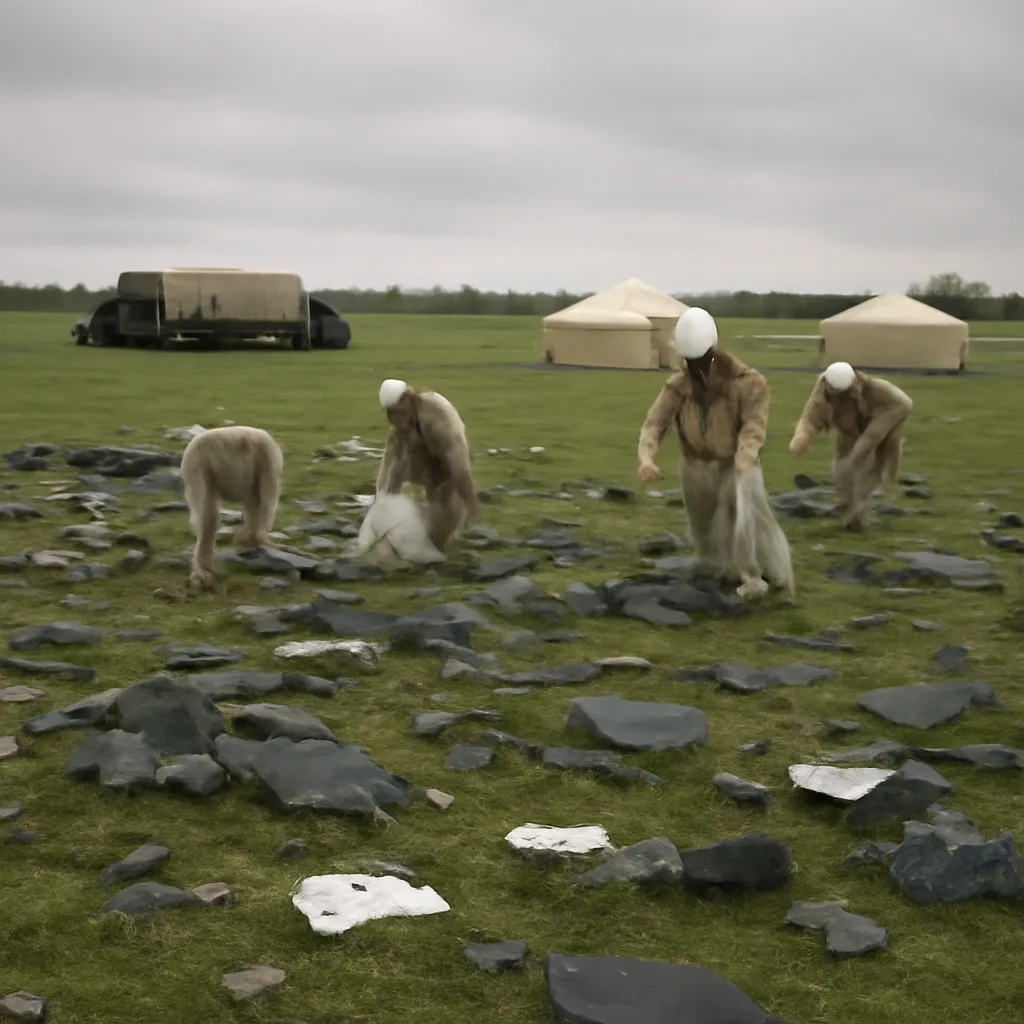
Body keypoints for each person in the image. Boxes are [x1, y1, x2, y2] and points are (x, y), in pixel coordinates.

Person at [636, 308, 795, 600]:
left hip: (736, 466)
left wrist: (742, 466)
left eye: (701, 360)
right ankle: (719, 571)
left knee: (743, 521)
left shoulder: (749, 383)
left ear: (713, 349)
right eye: (690, 361)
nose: (695, 367)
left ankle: (754, 577)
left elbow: (753, 428)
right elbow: (656, 423)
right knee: (704, 528)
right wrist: (646, 459)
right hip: (695, 468)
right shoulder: (678, 385)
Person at [359, 379, 478, 561]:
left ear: (408, 399)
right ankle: (394, 532)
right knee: (396, 480)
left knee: (445, 507)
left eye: (398, 412)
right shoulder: (402, 424)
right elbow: (390, 462)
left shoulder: (439, 419)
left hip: (446, 457)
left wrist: (470, 500)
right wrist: (381, 499)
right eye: (391, 414)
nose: (395, 419)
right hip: (423, 454)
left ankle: (439, 539)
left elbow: (459, 465)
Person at [789, 361, 913, 530]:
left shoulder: (877, 388)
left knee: (867, 473)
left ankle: (858, 514)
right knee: (843, 472)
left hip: (880, 440)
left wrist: (877, 430)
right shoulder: (823, 392)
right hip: (848, 436)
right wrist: (801, 437)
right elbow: (810, 416)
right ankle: (850, 506)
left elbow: (904, 403)